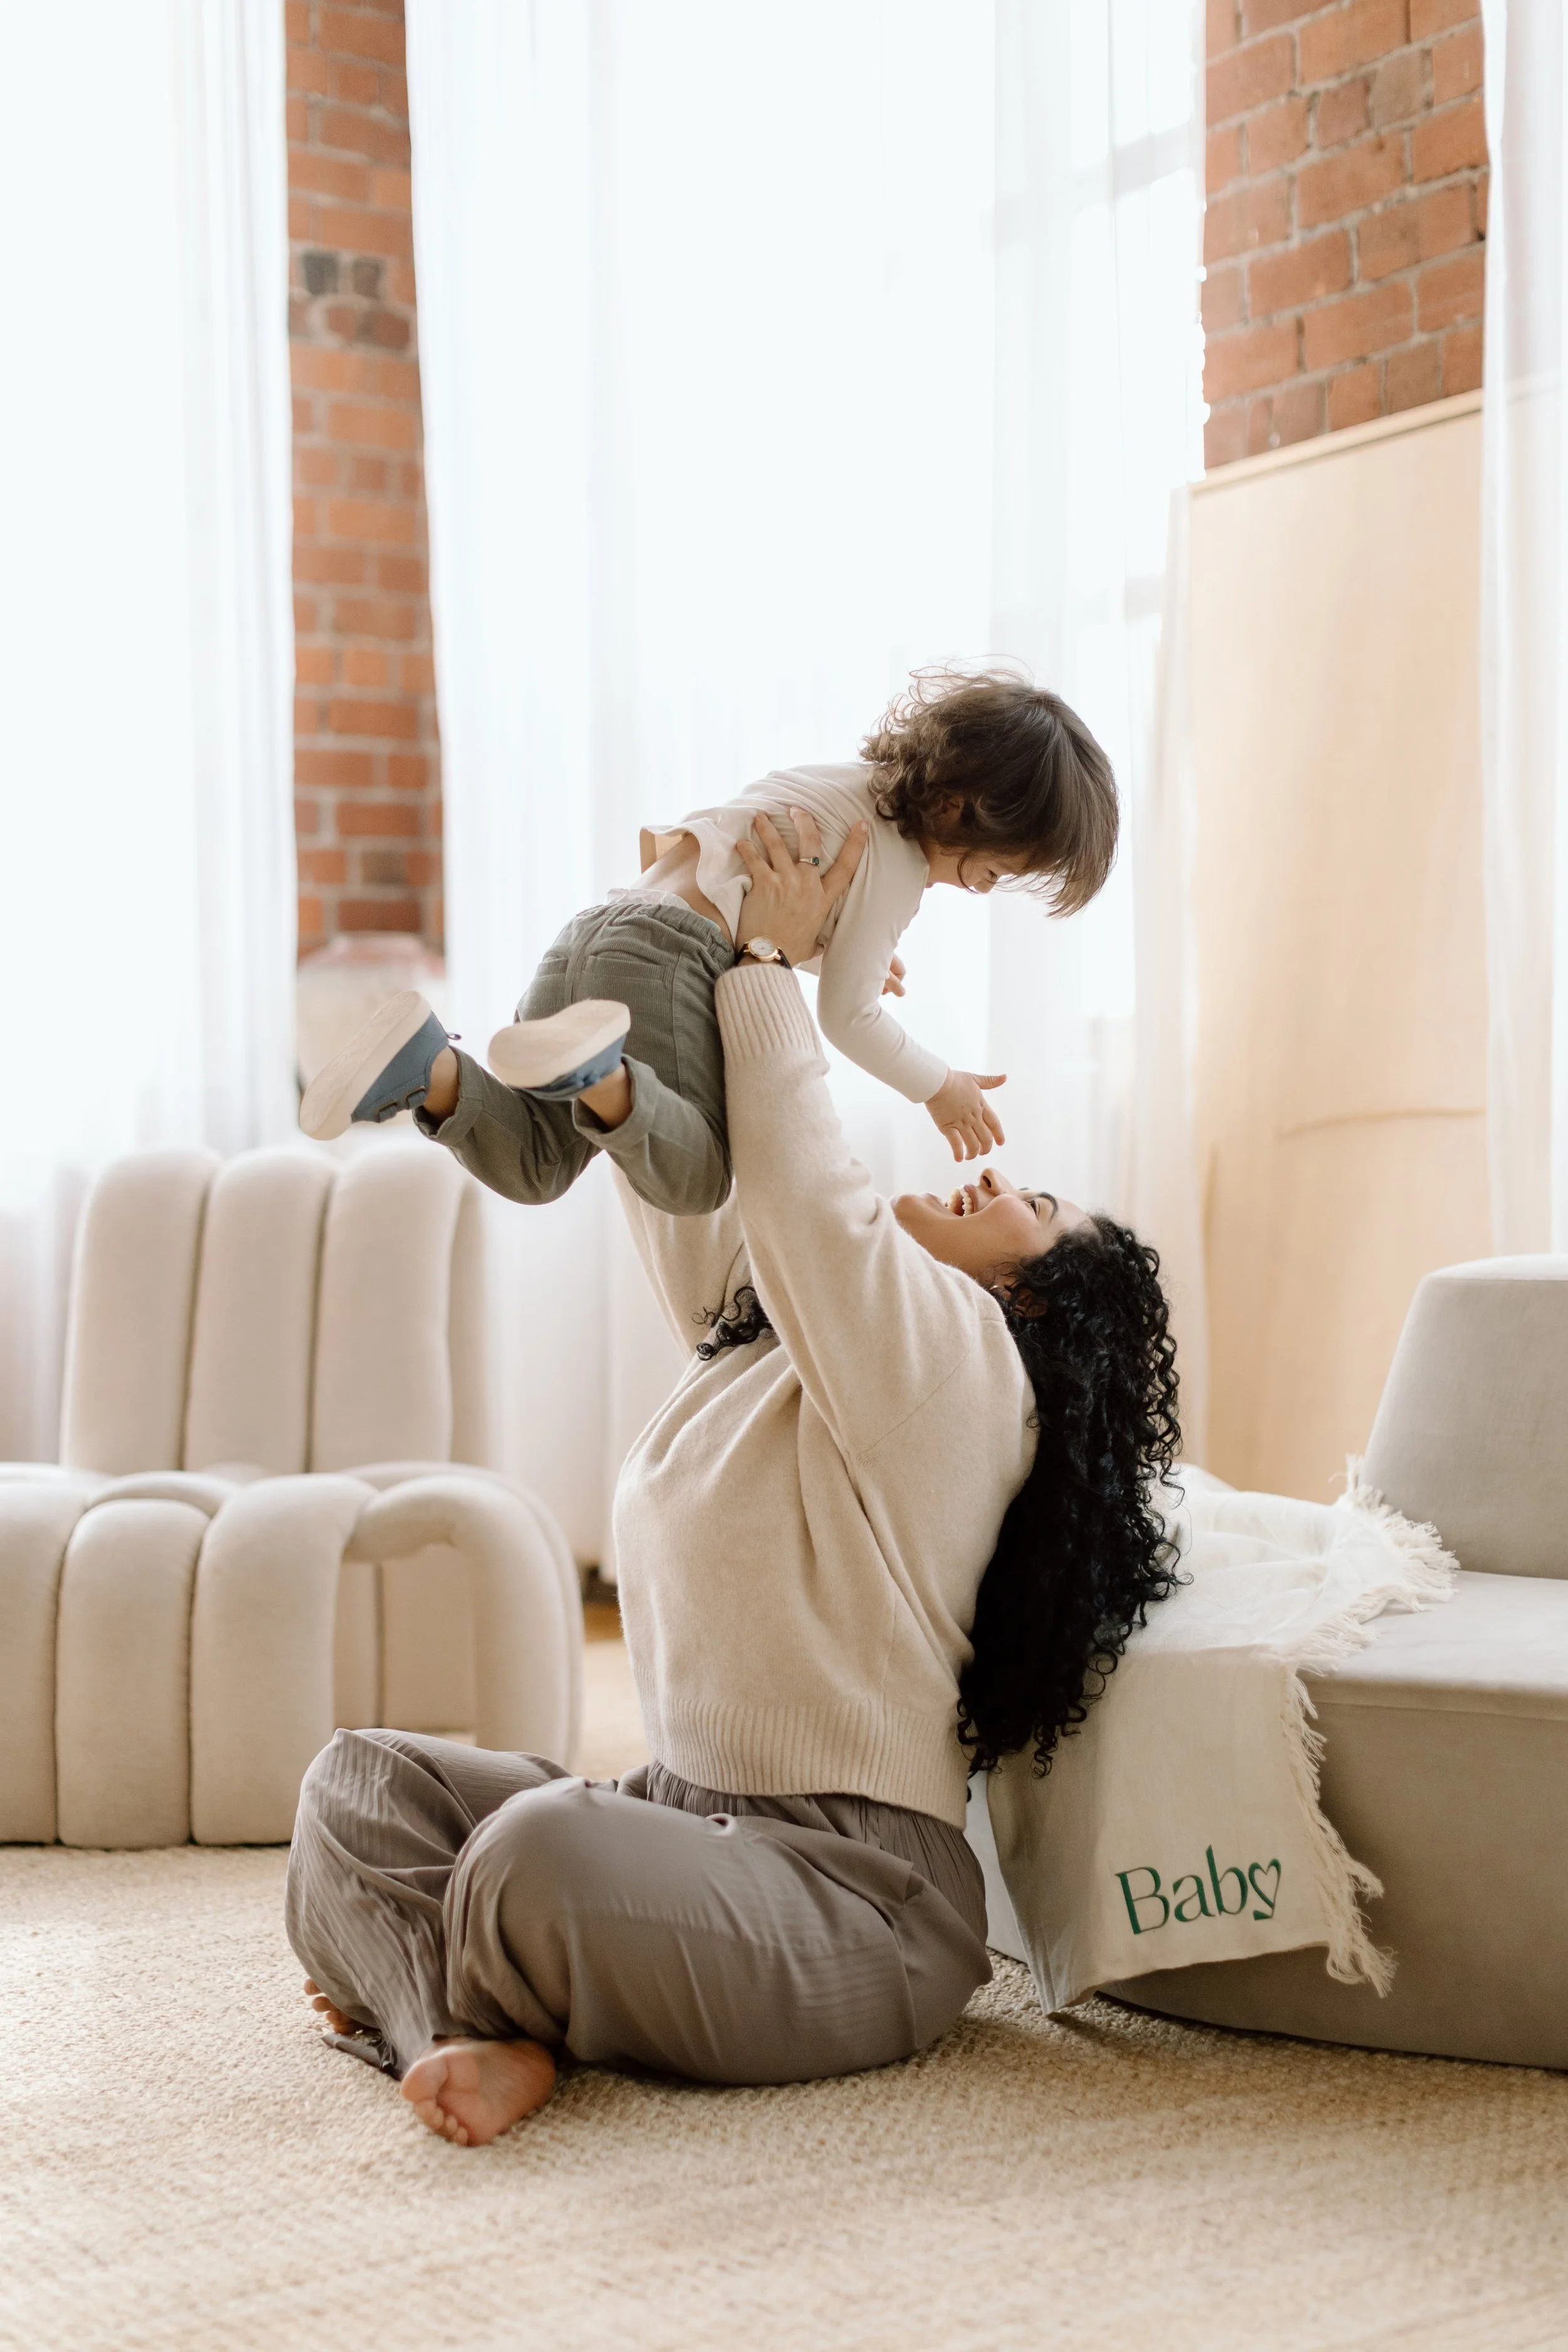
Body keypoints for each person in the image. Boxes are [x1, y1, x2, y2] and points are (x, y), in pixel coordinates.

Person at [287, 813, 1182, 2147]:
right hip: (679, 1817)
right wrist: (694, 953)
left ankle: (446, 1985)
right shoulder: (783, 1335)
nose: (991, 1172)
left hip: (855, 1900)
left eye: (1030, 1206)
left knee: (529, 1861)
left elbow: (812, 1194)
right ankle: (461, 2032)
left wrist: (768, 970)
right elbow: (690, 1185)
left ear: (1039, 1308)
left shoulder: (967, 1374)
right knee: (353, 1786)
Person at [297, 669, 1116, 1186]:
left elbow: (748, 891)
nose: (985, 890)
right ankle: (600, 1072)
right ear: (960, 805)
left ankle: (430, 1065)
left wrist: (827, 946)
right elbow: (848, 1016)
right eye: (998, 869)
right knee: (697, 1177)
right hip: (664, 961)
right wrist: (941, 1085)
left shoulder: (841, 784)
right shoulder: (898, 859)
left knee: (539, 1164)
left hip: (589, 933)